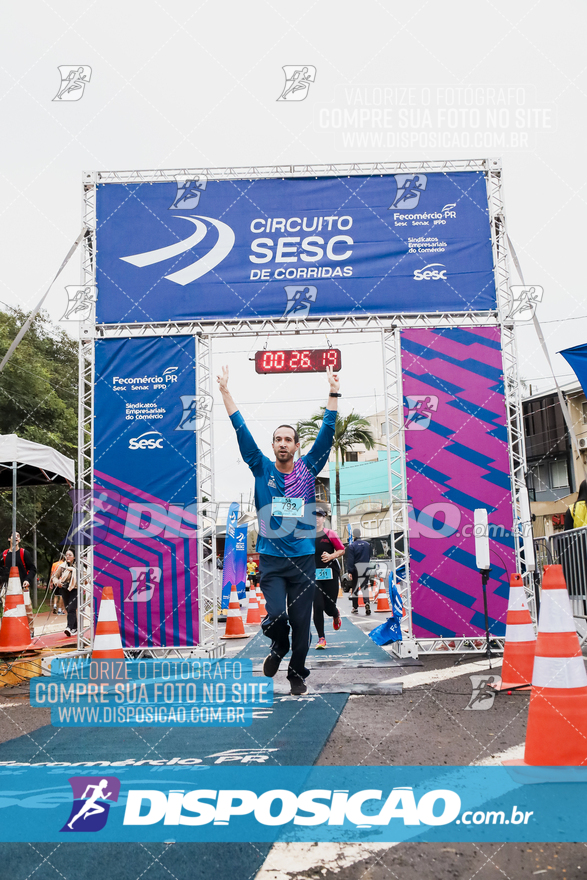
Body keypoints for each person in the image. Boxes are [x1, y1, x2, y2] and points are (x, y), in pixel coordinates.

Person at [218, 364, 339, 695]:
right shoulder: (261, 468)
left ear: (296, 445)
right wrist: (226, 392)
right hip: (271, 562)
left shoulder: (308, 467)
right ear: (272, 446)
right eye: (277, 439)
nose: (282, 443)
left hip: (302, 562)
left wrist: (332, 392)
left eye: (288, 439)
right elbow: (241, 430)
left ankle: (296, 672)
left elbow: (327, 432)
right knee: (274, 617)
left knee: (302, 625)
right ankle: (277, 646)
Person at [313, 509, 344, 649]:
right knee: (318, 606)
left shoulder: (330, 533)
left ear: (324, 519)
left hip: (330, 572)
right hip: (313, 575)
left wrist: (331, 556)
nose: (316, 519)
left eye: (319, 516)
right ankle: (321, 638)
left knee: (328, 606)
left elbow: (341, 549)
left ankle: (335, 613)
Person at [0, 531, 36, 637]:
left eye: (18, 536)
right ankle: (7, 632)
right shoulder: (4, 554)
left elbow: (32, 569)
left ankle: (30, 630)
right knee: (6, 609)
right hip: (8, 587)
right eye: (13, 536)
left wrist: (27, 580)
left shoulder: (24, 553)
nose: (15, 537)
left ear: (19, 540)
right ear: (9, 539)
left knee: (27, 608)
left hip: (22, 585)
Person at [346, 528, 373, 615]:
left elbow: (350, 560)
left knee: (355, 588)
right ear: (360, 534)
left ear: (353, 535)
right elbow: (370, 555)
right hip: (365, 567)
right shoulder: (367, 545)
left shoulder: (351, 546)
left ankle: (355, 607)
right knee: (364, 586)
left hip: (355, 569)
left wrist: (350, 571)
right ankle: (367, 602)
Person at [52, 549, 77, 637]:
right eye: (66, 555)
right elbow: (54, 577)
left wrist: (74, 571)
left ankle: (69, 627)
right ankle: (75, 627)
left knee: (71, 608)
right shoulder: (62, 566)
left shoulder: (79, 566)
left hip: (75, 589)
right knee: (68, 608)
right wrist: (57, 583)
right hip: (64, 588)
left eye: (70, 555)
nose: (68, 556)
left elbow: (84, 577)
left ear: (74, 557)